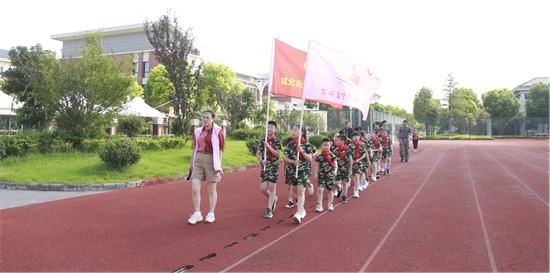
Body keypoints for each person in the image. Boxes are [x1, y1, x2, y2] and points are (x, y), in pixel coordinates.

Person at [188, 110, 225, 224]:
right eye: (203, 117)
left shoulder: (218, 131)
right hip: (198, 159)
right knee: (195, 188)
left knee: (211, 189)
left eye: (207, 117)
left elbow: (219, 150)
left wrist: (219, 165)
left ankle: (211, 213)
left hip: (211, 160)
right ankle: (197, 213)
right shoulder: (198, 131)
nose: (205, 120)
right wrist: (191, 163)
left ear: (213, 119)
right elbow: (195, 147)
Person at [283, 125, 316, 224]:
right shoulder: (290, 145)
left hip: (304, 170)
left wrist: (303, 151)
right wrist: (293, 162)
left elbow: (310, 158)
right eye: (293, 131)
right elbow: (284, 158)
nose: (293, 132)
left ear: (301, 133)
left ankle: (298, 213)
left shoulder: (307, 145)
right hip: (293, 170)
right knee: (295, 189)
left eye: (296, 131)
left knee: (301, 191)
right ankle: (302, 209)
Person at [256, 121, 281, 218]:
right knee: (263, 188)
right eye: (268, 127)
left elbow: (278, 155)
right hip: (265, 167)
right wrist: (261, 161)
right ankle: (273, 199)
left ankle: (269, 209)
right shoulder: (263, 141)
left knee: (271, 187)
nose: (269, 129)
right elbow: (257, 154)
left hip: (274, 167)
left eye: (271, 127)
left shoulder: (277, 141)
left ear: (275, 130)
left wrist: (269, 147)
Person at [313, 138, 338, 212]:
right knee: (320, 189)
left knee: (330, 190)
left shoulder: (332, 155)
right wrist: (315, 174)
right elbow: (317, 165)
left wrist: (335, 170)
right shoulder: (319, 156)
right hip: (322, 175)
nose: (326, 147)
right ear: (321, 146)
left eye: (327, 145)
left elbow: (335, 164)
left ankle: (330, 203)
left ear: (330, 146)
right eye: (324, 145)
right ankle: (319, 205)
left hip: (330, 175)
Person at [334, 134, 353, 203]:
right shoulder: (336, 150)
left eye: (338, 140)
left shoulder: (347, 150)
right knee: (335, 182)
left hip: (345, 169)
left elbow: (350, 160)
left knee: (344, 182)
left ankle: (344, 195)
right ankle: (339, 189)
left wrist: (350, 170)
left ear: (343, 141)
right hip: (337, 169)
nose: (337, 142)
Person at [349, 132, 367, 198]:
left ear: (360, 137)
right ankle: (356, 186)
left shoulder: (362, 145)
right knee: (353, 178)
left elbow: (364, 154)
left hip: (359, 163)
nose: (356, 138)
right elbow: (349, 155)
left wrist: (359, 159)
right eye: (354, 136)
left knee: (357, 176)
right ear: (352, 138)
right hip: (352, 163)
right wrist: (351, 161)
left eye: (357, 136)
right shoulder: (350, 146)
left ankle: (356, 191)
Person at [284, 136, 297, 209]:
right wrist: (284, 171)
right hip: (289, 169)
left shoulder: (298, 147)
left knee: (295, 186)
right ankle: (290, 201)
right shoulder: (288, 148)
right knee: (288, 186)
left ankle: (297, 198)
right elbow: (285, 160)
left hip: (296, 169)